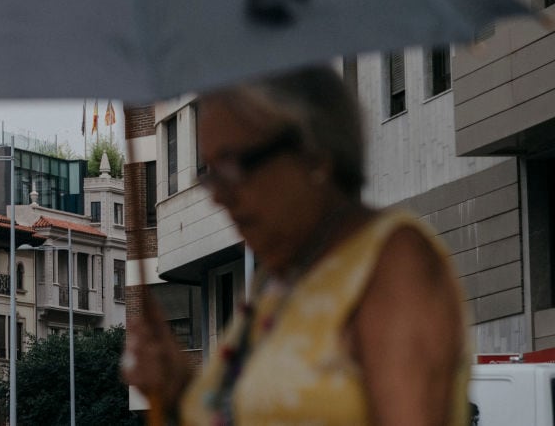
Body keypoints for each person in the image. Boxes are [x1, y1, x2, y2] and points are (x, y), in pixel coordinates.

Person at [122, 65, 469, 426]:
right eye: (210, 175)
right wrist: (177, 387)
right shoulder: (273, 283)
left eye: (233, 167)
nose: (219, 198)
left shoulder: (393, 264)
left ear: (313, 153)